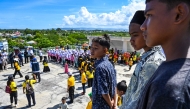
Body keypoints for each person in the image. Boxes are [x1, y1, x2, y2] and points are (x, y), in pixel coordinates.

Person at [136, 0, 190, 109]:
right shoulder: (171, 67)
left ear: (178, 14)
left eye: (149, 15)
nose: (142, 26)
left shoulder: (172, 88)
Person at [120, 10, 165, 109]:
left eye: (135, 35)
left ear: (147, 31)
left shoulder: (152, 63)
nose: (131, 39)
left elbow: (137, 101)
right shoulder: (148, 56)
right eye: (130, 35)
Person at [91, 34, 117, 109]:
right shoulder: (110, 64)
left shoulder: (100, 68)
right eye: (91, 47)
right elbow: (115, 85)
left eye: (95, 48)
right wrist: (114, 104)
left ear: (105, 50)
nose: (92, 50)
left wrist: (111, 105)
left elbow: (104, 92)